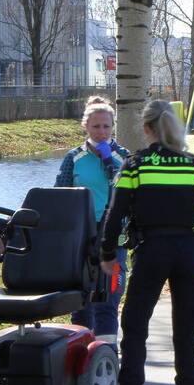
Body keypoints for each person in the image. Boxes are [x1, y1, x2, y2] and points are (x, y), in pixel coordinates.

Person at [99, 100, 194, 385]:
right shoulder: (192, 164)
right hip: (186, 250)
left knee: (135, 328)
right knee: (186, 333)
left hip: (151, 250)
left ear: (146, 129)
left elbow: (116, 213)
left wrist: (107, 254)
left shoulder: (135, 165)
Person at [55, 96, 131, 349]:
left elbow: (131, 195)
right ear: (86, 126)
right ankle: (79, 354)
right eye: (96, 126)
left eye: (106, 127)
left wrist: (108, 159)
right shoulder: (73, 158)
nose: (101, 132)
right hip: (81, 234)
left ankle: (107, 355)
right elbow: (60, 195)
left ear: (113, 127)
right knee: (81, 300)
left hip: (114, 236)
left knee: (108, 299)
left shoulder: (123, 158)